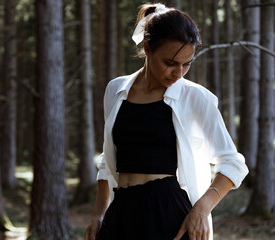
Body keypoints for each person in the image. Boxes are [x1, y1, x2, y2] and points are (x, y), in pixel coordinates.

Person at [85, 2, 249, 240]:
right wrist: (99, 214)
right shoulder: (115, 90)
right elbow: (107, 161)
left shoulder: (196, 98)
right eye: (170, 63)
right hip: (120, 214)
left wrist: (202, 209)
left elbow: (233, 163)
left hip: (169, 216)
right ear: (148, 47)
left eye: (187, 64)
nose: (179, 73)